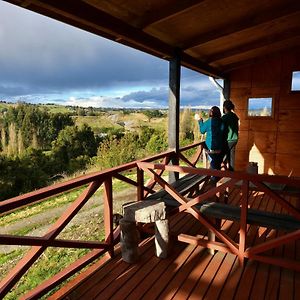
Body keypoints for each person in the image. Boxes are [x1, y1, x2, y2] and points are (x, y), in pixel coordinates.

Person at [195, 106, 224, 178]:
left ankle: (213, 182)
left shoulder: (209, 122)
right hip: (220, 147)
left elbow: (202, 130)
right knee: (217, 165)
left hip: (211, 147)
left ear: (211, 113)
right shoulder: (221, 122)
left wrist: (199, 120)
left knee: (213, 167)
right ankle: (217, 181)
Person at [222, 100, 239, 171]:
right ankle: (231, 172)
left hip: (229, 139)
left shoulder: (225, 117)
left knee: (222, 156)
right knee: (231, 156)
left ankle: (218, 173)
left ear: (224, 107)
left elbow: (221, 129)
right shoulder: (234, 116)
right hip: (235, 139)